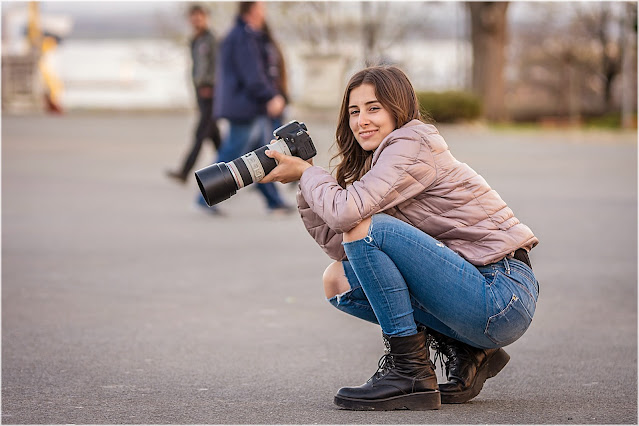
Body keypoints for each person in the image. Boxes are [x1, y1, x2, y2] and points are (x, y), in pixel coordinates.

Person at [261, 66, 540, 411]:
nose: (362, 119)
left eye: (374, 108)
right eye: (354, 111)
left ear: (399, 109)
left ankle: (408, 373)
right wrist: (305, 186)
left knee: (365, 226)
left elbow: (351, 219)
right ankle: (469, 349)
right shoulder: (380, 161)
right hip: (472, 295)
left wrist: (308, 174)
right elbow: (345, 247)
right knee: (338, 280)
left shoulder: (412, 142)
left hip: (501, 293)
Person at [203, 1, 292, 214]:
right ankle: (204, 197)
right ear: (252, 10)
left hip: (246, 105)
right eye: (262, 7)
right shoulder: (243, 37)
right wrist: (271, 96)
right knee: (234, 153)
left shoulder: (242, 34)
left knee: (260, 154)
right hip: (245, 107)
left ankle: (273, 201)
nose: (265, 12)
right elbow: (252, 75)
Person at [166, 4, 221, 184]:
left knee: (200, 134)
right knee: (215, 137)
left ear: (206, 18)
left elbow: (217, 66)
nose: (196, 20)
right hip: (201, 93)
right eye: (193, 17)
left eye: (200, 16)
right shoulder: (195, 40)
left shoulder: (211, 40)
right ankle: (235, 170)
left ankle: (184, 171)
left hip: (210, 93)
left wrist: (210, 85)